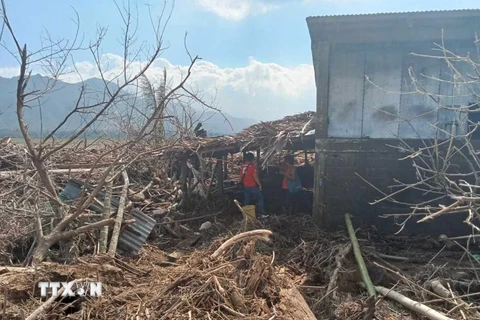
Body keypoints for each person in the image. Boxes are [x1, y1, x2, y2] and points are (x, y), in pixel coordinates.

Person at [239, 152, 268, 218]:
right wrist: (259, 184)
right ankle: (261, 214)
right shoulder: (252, 167)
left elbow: (240, 177)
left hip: (245, 185)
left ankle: (244, 213)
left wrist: (239, 183)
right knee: (260, 198)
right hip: (252, 186)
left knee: (247, 199)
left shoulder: (242, 166)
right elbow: (255, 177)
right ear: (252, 159)